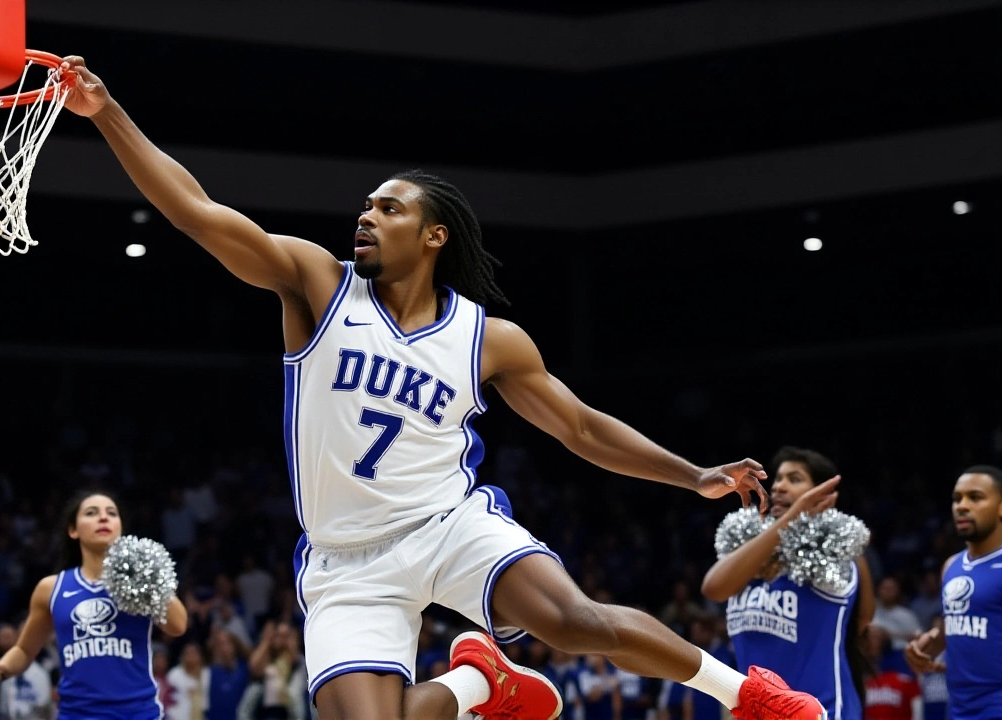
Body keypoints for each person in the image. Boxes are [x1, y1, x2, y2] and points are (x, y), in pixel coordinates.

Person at [57, 55, 828, 720]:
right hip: (345, 559)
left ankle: (748, 695)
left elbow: (581, 428)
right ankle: (477, 683)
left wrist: (692, 475)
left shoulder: (488, 339)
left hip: (446, 523)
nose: (366, 215)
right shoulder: (317, 284)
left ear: (433, 236)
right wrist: (107, 112)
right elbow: (196, 212)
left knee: (574, 620)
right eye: (366, 205)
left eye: (388, 207)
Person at [701, 446, 875, 720]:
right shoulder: (748, 555)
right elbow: (713, 588)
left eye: (794, 479)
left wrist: (795, 518)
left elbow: (862, 619)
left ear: (822, 494)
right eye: (778, 478)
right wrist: (786, 523)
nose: (779, 486)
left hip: (824, 712)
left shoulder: (838, 556)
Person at [0, 490, 188, 720]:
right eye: (91, 513)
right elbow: (24, 650)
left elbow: (178, 626)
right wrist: (1, 667)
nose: (103, 518)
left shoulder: (138, 577)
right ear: (73, 530)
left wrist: (147, 578)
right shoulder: (51, 588)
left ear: (120, 528)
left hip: (138, 715)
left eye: (111, 513)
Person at [905, 465, 1002, 720]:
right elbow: (959, 625)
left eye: (975, 497)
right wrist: (931, 642)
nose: (962, 506)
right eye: (957, 499)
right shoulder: (951, 565)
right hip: (958, 708)